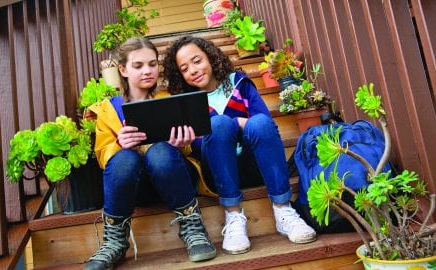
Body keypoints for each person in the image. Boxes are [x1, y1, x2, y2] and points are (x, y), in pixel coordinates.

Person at [163, 36, 317, 255]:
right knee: (218, 125)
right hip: (217, 173)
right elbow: (197, 144)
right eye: (185, 69)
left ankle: (284, 209)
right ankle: (233, 215)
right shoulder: (187, 102)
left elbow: (263, 123)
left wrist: (233, 124)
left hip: (255, 166)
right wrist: (231, 124)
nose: (193, 70)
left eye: (197, 61)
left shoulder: (240, 84)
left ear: (210, 57)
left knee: (259, 123)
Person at [84, 37, 216, 270]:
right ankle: (115, 240)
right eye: (138, 66)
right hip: (135, 188)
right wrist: (121, 145)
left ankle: (192, 226)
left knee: (160, 152)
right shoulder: (106, 109)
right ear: (123, 69)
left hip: (173, 179)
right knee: (123, 158)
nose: (148, 71)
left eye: (153, 64)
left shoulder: (171, 100)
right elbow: (103, 156)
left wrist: (182, 143)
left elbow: (188, 148)